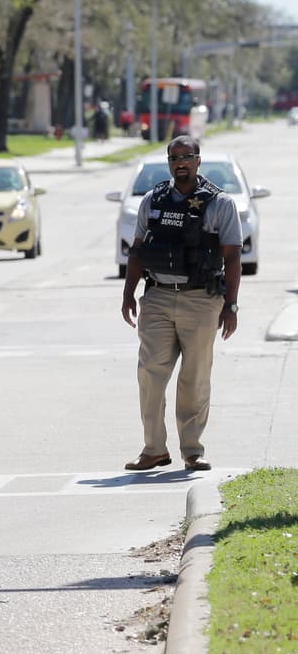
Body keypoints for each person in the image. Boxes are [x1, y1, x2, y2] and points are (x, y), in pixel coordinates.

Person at [120, 136, 241, 473]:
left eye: (187, 157)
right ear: (169, 162)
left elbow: (232, 258)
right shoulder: (152, 200)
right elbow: (137, 250)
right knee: (150, 375)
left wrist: (230, 306)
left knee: (195, 377)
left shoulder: (220, 204)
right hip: (157, 296)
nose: (181, 163)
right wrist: (129, 293)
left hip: (201, 300)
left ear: (199, 161)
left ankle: (192, 450)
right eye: (175, 158)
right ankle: (154, 450)